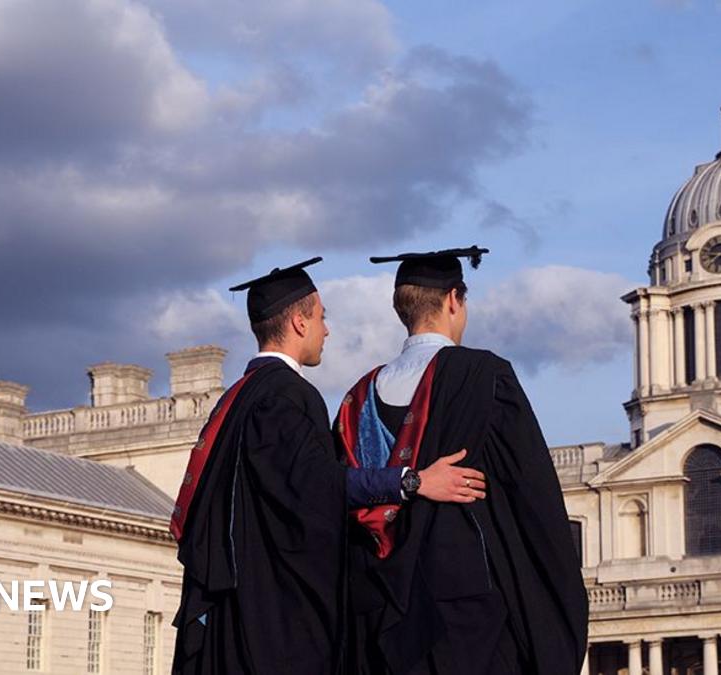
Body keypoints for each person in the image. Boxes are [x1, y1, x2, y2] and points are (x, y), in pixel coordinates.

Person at [170, 257, 485, 675]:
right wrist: (413, 481)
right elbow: (316, 485)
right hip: (274, 618)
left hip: (231, 606)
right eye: (321, 317)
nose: (326, 330)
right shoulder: (286, 396)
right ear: (300, 323)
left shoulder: (234, 400)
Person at [335, 247, 588, 675]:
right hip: (466, 611)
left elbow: (336, 492)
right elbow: (531, 494)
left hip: (377, 609)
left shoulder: (356, 398)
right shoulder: (484, 376)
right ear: (454, 300)